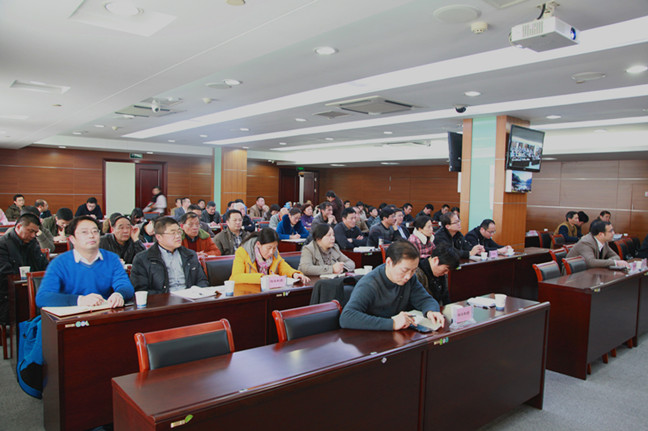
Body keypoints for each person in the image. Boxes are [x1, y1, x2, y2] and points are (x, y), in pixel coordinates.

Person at [339, 240, 444, 331]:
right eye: (404, 270)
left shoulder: (410, 279)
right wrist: (392, 323)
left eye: (413, 270)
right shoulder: (369, 284)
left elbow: (425, 299)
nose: (408, 276)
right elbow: (346, 317)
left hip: (398, 335)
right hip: (372, 338)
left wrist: (431, 311)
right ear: (389, 262)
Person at [36, 216, 133, 308]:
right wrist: (79, 300)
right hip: (72, 315)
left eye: (95, 231)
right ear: (72, 239)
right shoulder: (59, 263)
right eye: (84, 232)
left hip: (102, 313)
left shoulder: (111, 259)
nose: (91, 236)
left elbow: (126, 286)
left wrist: (119, 294)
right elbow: (43, 297)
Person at [130, 217, 208, 294]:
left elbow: (202, 281)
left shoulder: (190, 254)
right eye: (173, 233)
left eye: (179, 232)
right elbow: (141, 290)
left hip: (190, 297)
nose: (178, 236)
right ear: (159, 237)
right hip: (163, 299)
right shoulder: (143, 259)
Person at [0, 213, 49, 323]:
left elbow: (44, 266)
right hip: (9, 296)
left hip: (33, 291)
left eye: (35, 232)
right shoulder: (3, 245)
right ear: (18, 227)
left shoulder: (32, 243)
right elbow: (5, 275)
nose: (33, 235)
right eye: (30, 231)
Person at [230, 228, 309, 284]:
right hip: (247, 291)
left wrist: (294, 274)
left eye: (274, 248)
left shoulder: (275, 252)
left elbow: (282, 266)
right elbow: (236, 277)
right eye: (268, 248)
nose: (271, 252)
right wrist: (263, 278)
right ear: (258, 244)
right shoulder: (242, 252)